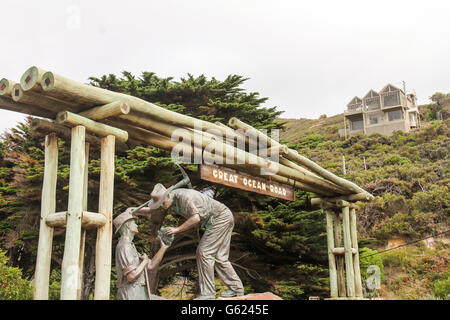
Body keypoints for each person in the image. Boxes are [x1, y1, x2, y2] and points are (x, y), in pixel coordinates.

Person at [148, 183, 244, 300]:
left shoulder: (184, 197)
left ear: (167, 196)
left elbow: (195, 218)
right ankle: (236, 289)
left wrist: (177, 229)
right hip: (221, 217)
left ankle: (208, 294)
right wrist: (133, 211)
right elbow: (150, 211)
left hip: (220, 218)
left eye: (162, 203)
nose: (162, 206)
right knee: (220, 257)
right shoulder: (170, 200)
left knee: (204, 252)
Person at [113, 207, 173, 300]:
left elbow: (151, 265)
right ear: (128, 226)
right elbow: (131, 276)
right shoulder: (124, 246)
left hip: (138, 292)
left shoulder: (130, 246)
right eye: (134, 223)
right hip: (131, 294)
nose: (136, 225)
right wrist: (144, 262)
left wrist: (163, 247)